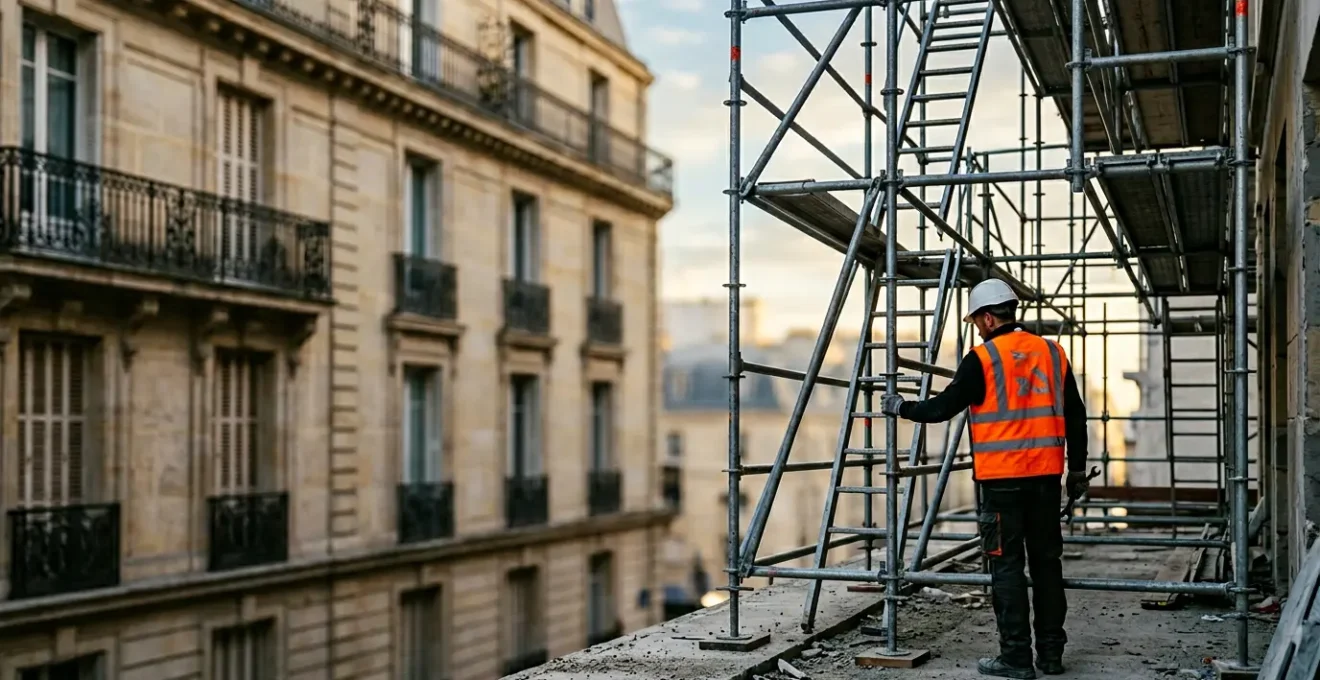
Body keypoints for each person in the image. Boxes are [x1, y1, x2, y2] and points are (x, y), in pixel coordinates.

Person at [881, 278, 1089, 680]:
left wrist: (902, 407)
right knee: (1047, 565)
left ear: (989, 317)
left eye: (977, 320)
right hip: (1046, 479)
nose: (977, 327)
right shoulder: (1052, 352)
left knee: (1007, 568)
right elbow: (1077, 416)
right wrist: (1076, 470)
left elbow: (944, 407)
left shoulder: (984, 357)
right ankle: (1050, 655)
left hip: (1002, 483)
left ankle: (1016, 658)